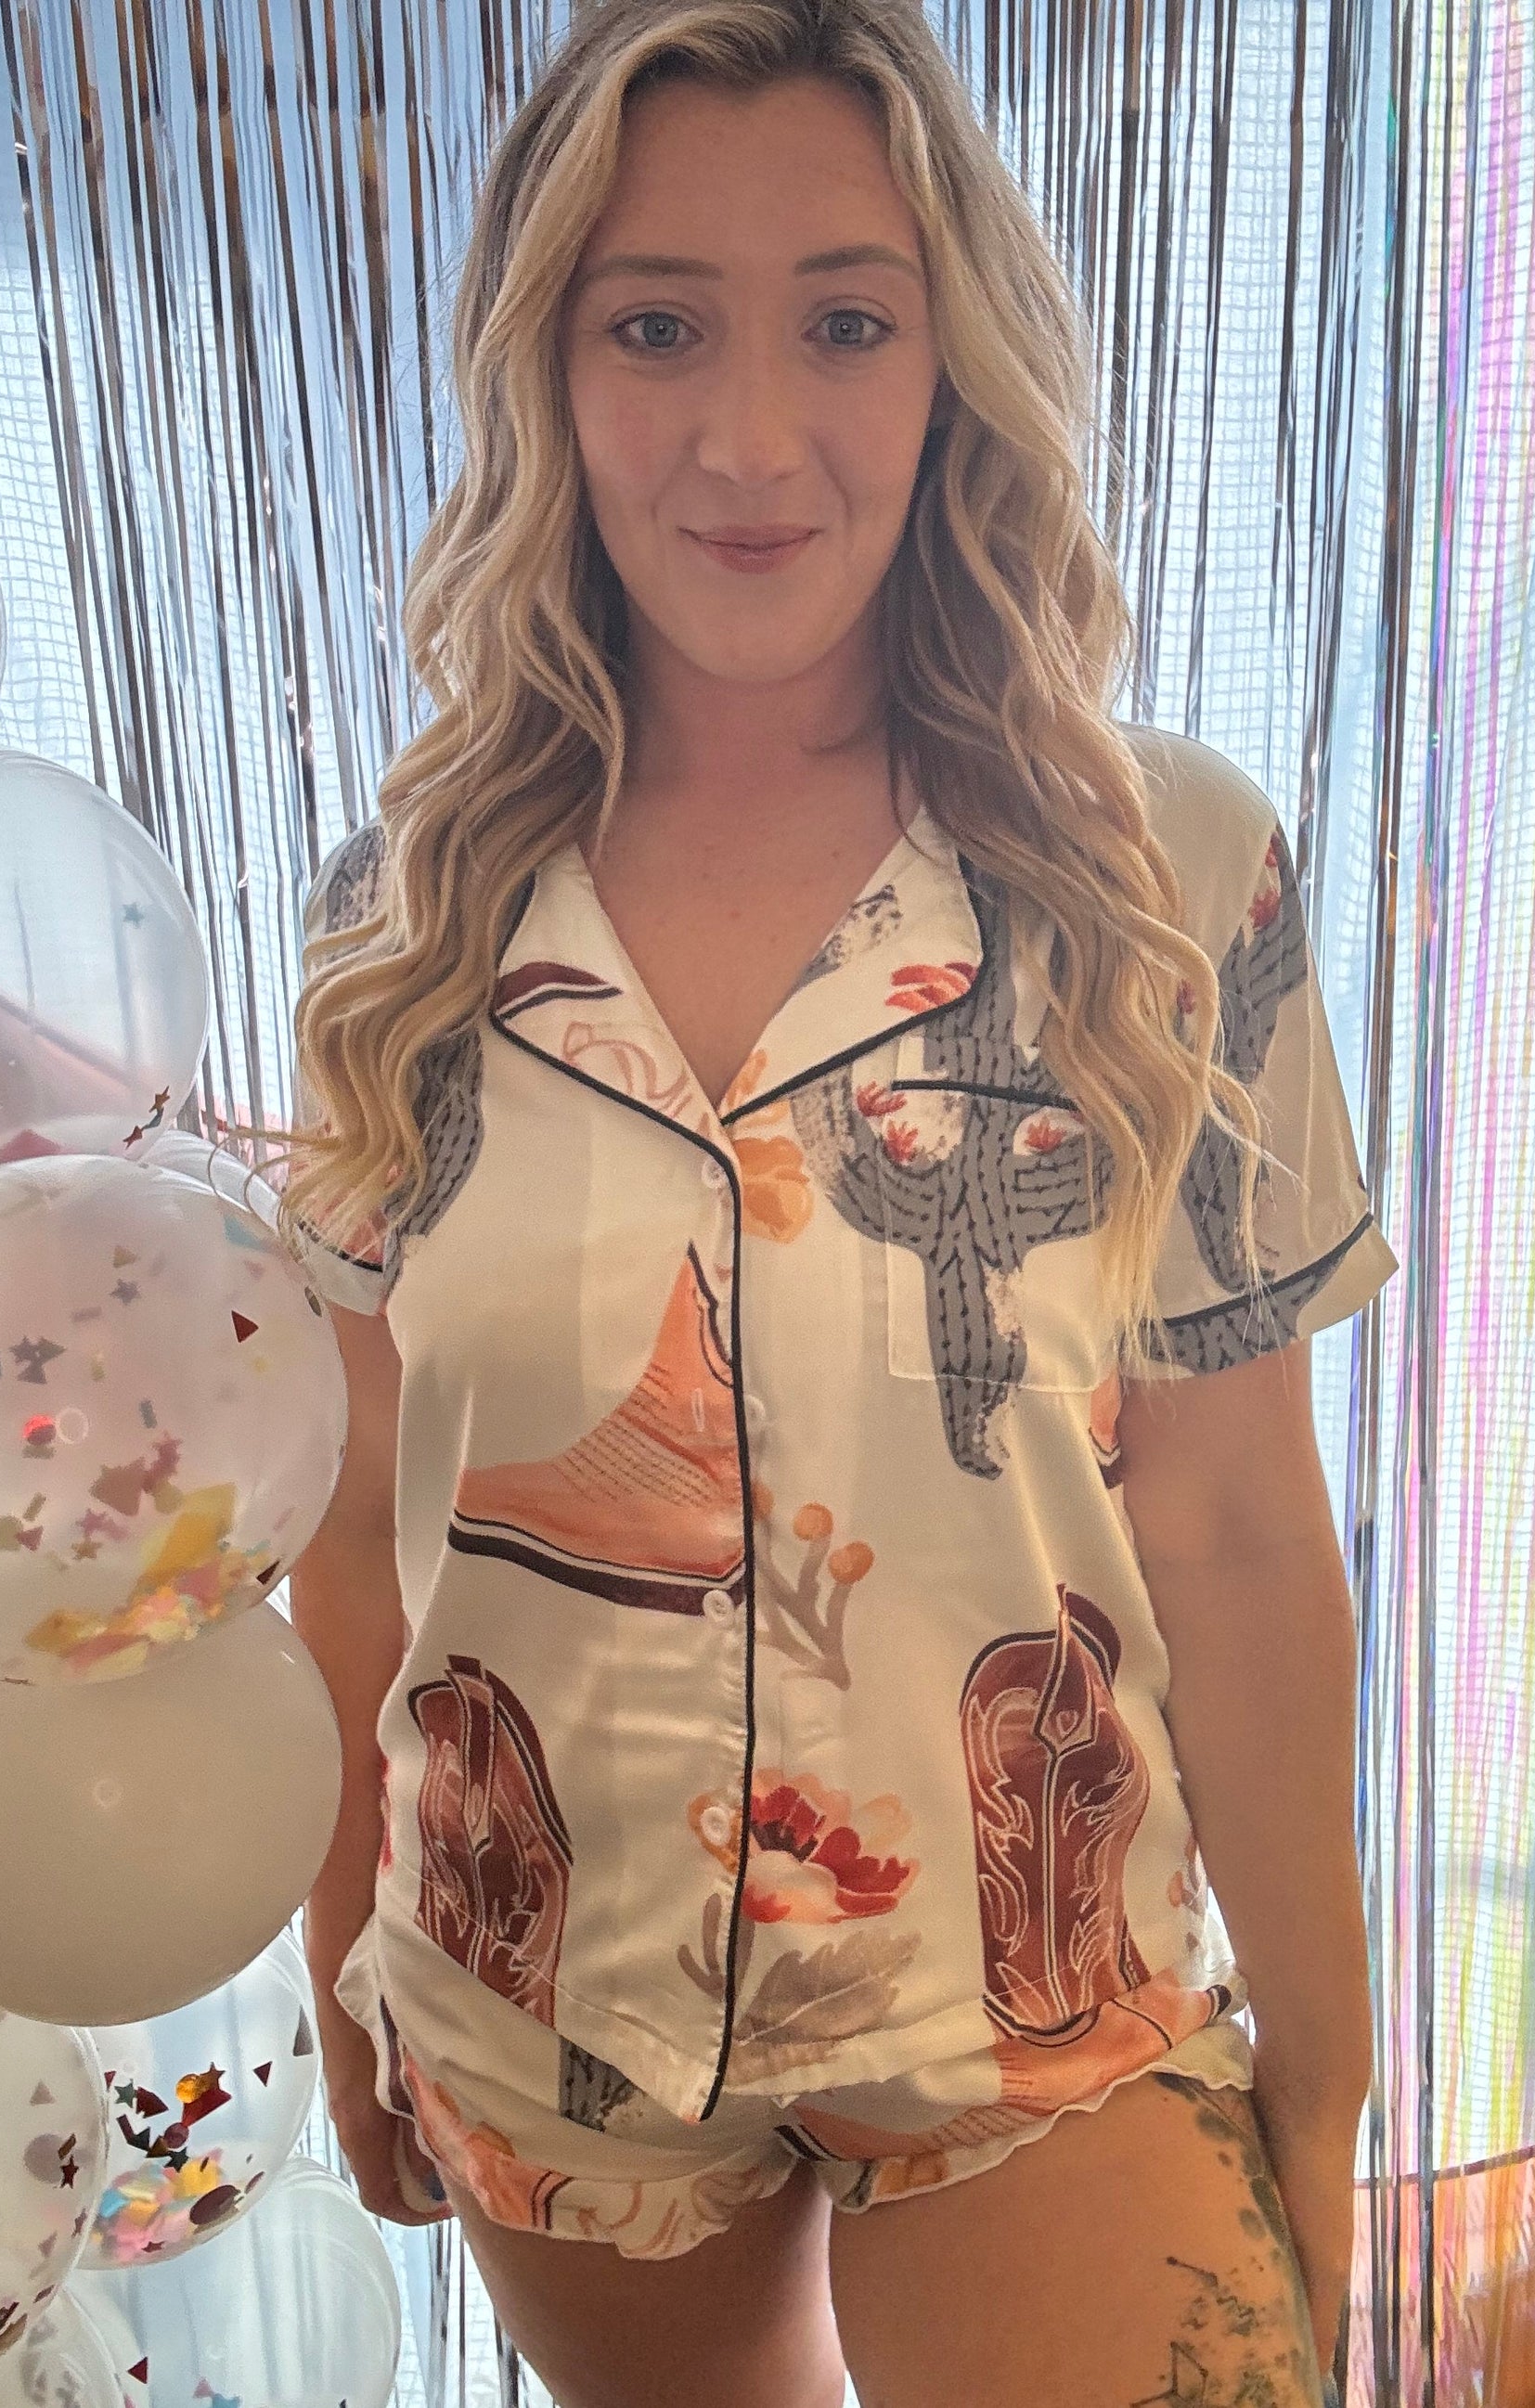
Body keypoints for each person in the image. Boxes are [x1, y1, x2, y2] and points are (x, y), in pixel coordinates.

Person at [284, 4, 1397, 2402]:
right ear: (548, 366)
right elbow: (362, 1506)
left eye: (847, 322)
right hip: (537, 2002)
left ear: (950, 358)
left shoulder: (1160, 879)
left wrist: (1325, 2070)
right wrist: (338, 1929)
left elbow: (1231, 1525)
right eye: (657, 325)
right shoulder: (409, 915)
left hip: (1036, 1998)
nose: (750, 437)